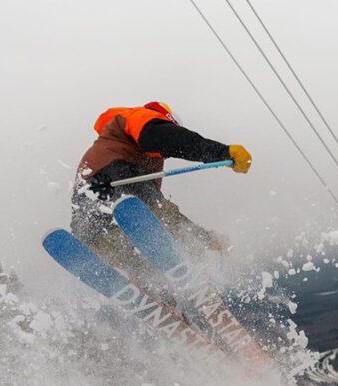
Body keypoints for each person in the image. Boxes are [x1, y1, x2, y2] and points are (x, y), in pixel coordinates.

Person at [70, 101, 251, 281]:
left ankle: (145, 283)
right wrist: (223, 153)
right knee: (162, 218)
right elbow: (172, 140)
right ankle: (196, 269)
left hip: (88, 189)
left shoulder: (141, 154)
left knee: (114, 243)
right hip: (118, 172)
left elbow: (143, 213)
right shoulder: (142, 117)